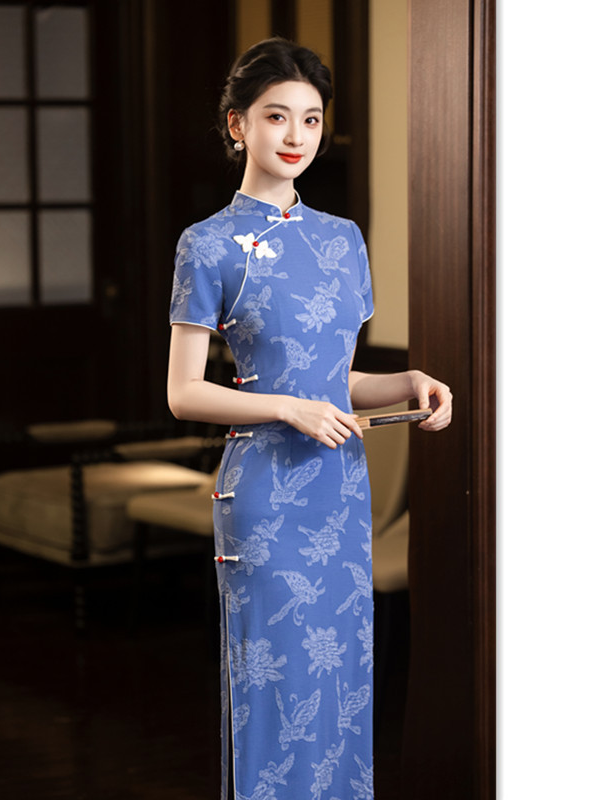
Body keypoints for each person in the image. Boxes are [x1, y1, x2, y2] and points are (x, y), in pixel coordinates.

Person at [167, 37, 452, 800]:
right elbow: (184, 394)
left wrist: (409, 382)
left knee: (341, 683)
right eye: (276, 116)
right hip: (263, 497)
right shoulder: (208, 244)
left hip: (339, 490)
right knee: (274, 689)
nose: (296, 135)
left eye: (312, 119)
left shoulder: (343, 239)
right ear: (238, 124)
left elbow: (332, 380)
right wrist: (286, 408)